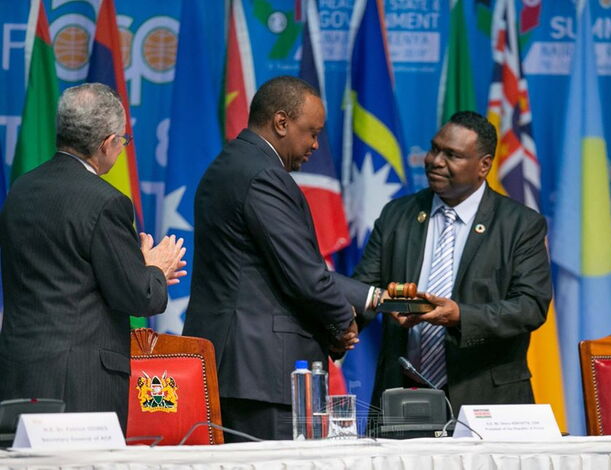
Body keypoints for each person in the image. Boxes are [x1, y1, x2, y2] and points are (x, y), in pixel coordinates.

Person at [183, 76, 381, 441]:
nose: (315, 145)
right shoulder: (263, 176)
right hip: (262, 372)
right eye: (311, 132)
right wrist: (342, 323)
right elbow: (303, 274)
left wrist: (367, 298)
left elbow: (263, 268)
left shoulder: (229, 165)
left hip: (239, 368)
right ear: (281, 122)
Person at [0, 83, 186, 431]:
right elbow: (138, 296)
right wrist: (154, 268)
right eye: (122, 141)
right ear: (107, 143)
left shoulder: (20, 191)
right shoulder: (106, 202)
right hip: (80, 383)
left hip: (17, 373)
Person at [353, 111, 552, 418]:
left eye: (452, 155)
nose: (435, 160)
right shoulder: (397, 215)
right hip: (402, 399)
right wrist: (340, 331)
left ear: (483, 166)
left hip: (489, 401)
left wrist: (460, 316)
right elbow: (365, 288)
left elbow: (530, 307)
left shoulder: (520, 225)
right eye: (434, 149)